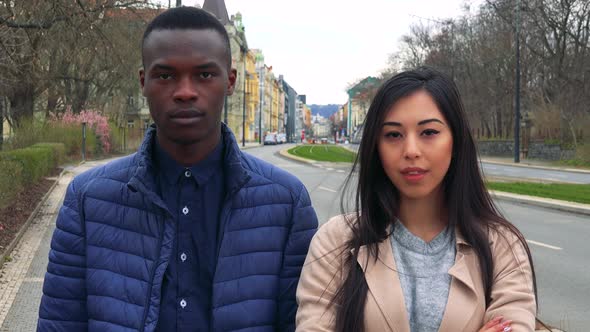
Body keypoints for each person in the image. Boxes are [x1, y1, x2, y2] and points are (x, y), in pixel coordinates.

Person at [37, 7, 318, 332]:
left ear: (230, 81)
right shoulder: (87, 200)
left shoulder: (285, 203)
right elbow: (60, 323)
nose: (185, 91)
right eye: (166, 75)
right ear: (144, 81)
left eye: (204, 74)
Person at [295, 67, 538, 332]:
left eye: (429, 132)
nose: (411, 150)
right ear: (376, 147)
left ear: (456, 141)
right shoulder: (335, 242)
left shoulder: (502, 247)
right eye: (393, 135)